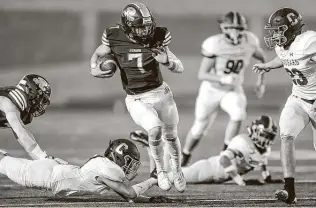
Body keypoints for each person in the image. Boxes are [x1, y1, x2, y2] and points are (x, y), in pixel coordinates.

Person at [90, 2, 185, 192]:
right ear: (127, 26)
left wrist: (166, 62)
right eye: (139, 27)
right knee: (155, 130)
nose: (145, 31)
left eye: (147, 26)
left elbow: (179, 67)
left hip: (162, 94)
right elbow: (99, 52)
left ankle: (177, 169)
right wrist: (94, 68)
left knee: (171, 136)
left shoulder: (158, 37)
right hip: (136, 98)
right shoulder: (114, 37)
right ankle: (160, 171)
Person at [181, 11, 267, 166]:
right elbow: (202, 74)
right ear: (224, 28)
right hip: (211, 89)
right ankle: (185, 155)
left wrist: (261, 82)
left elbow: (262, 59)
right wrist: (222, 78)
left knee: (239, 113)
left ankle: (225, 153)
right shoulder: (215, 44)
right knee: (199, 127)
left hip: (232, 89)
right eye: (232, 28)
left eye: (239, 28)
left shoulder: (250, 40)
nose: (236, 32)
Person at [252, 7, 316, 204]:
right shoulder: (282, 46)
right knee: (286, 135)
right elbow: (283, 58)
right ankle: (290, 191)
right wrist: (267, 66)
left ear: (291, 29)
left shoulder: (309, 42)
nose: (275, 35)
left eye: (279, 30)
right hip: (298, 98)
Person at [0, 138, 171, 203]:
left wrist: (149, 200)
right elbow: (130, 194)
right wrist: (153, 180)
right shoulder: (110, 169)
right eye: (129, 161)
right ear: (119, 158)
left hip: (53, 170)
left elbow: (126, 195)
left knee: (5, 160)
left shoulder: (106, 167)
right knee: (3, 162)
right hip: (46, 176)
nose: (131, 167)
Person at [131, 115, 283, 185]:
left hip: (216, 175)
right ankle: (158, 146)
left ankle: (156, 148)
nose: (266, 140)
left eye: (269, 136)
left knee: (171, 172)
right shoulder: (242, 141)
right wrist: (239, 180)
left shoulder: (264, 149)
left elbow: (262, 161)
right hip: (210, 170)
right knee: (161, 179)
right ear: (256, 132)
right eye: (265, 135)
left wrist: (266, 176)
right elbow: (224, 159)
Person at [0, 74, 66, 164]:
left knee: (6, 160)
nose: (41, 104)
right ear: (31, 90)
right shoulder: (9, 102)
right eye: (41, 98)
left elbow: (23, 137)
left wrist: (42, 158)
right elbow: (21, 133)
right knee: (7, 163)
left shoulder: (12, 105)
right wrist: (43, 157)